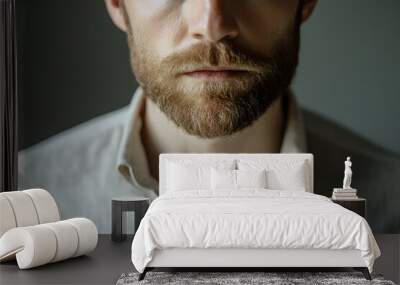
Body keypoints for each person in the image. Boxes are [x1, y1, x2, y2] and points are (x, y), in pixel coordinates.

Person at [18, 0, 400, 234]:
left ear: (306, 1)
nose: (212, 25)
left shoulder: (393, 206)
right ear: (117, 3)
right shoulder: (22, 194)